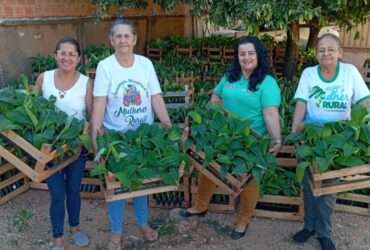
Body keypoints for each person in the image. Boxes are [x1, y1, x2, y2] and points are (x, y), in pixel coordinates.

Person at [179, 36, 282, 240]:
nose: (246, 57)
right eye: (242, 53)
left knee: (249, 181)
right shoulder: (230, 76)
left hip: (251, 139)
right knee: (208, 169)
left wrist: (276, 139)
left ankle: (243, 219)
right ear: (237, 56)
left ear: (259, 55)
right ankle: (200, 207)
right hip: (224, 135)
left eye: (251, 53)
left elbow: (270, 113)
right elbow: (215, 97)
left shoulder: (267, 83)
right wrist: (215, 115)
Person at [90, 18, 172, 250]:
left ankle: (143, 223)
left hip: (142, 137)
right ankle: (116, 232)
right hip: (116, 138)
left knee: (141, 184)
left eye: (127, 36)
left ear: (135, 39)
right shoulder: (105, 66)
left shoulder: (145, 64)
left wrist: (167, 125)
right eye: (118, 36)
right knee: (115, 186)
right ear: (111, 40)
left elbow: (155, 97)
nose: (123, 40)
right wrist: (97, 135)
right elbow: (99, 102)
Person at [291, 27, 370, 250]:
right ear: (316, 54)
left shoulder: (349, 72)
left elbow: (364, 102)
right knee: (308, 185)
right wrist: (296, 131)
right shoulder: (309, 74)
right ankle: (309, 226)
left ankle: (324, 232)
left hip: (337, 139)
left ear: (340, 52)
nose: (326, 53)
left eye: (331, 50)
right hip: (311, 137)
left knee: (328, 189)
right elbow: (301, 103)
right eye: (321, 50)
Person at [35, 37, 93, 250]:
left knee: (73, 191)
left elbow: (90, 115)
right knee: (57, 195)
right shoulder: (44, 79)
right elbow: (34, 109)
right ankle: (58, 239)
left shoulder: (86, 82)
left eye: (72, 54)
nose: (66, 57)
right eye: (63, 53)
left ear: (78, 58)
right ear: (55, 55)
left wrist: (90, 134)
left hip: (76, 149)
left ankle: (76, 228)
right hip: (50, 150)